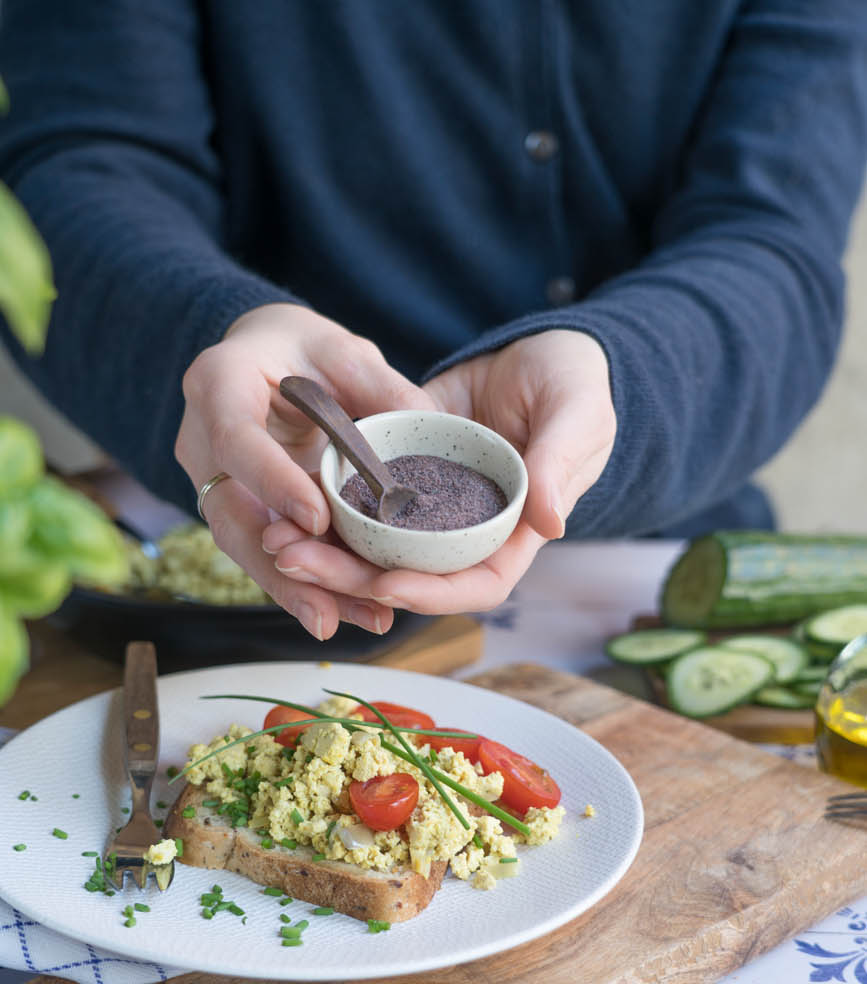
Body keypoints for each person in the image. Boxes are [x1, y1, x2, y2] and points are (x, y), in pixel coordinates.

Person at [1, 1, 866, 642]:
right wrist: (214, 322)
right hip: (264, 562)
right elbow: (75, 163)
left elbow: (774, 239)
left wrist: (615, 369)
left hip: (656, 587)